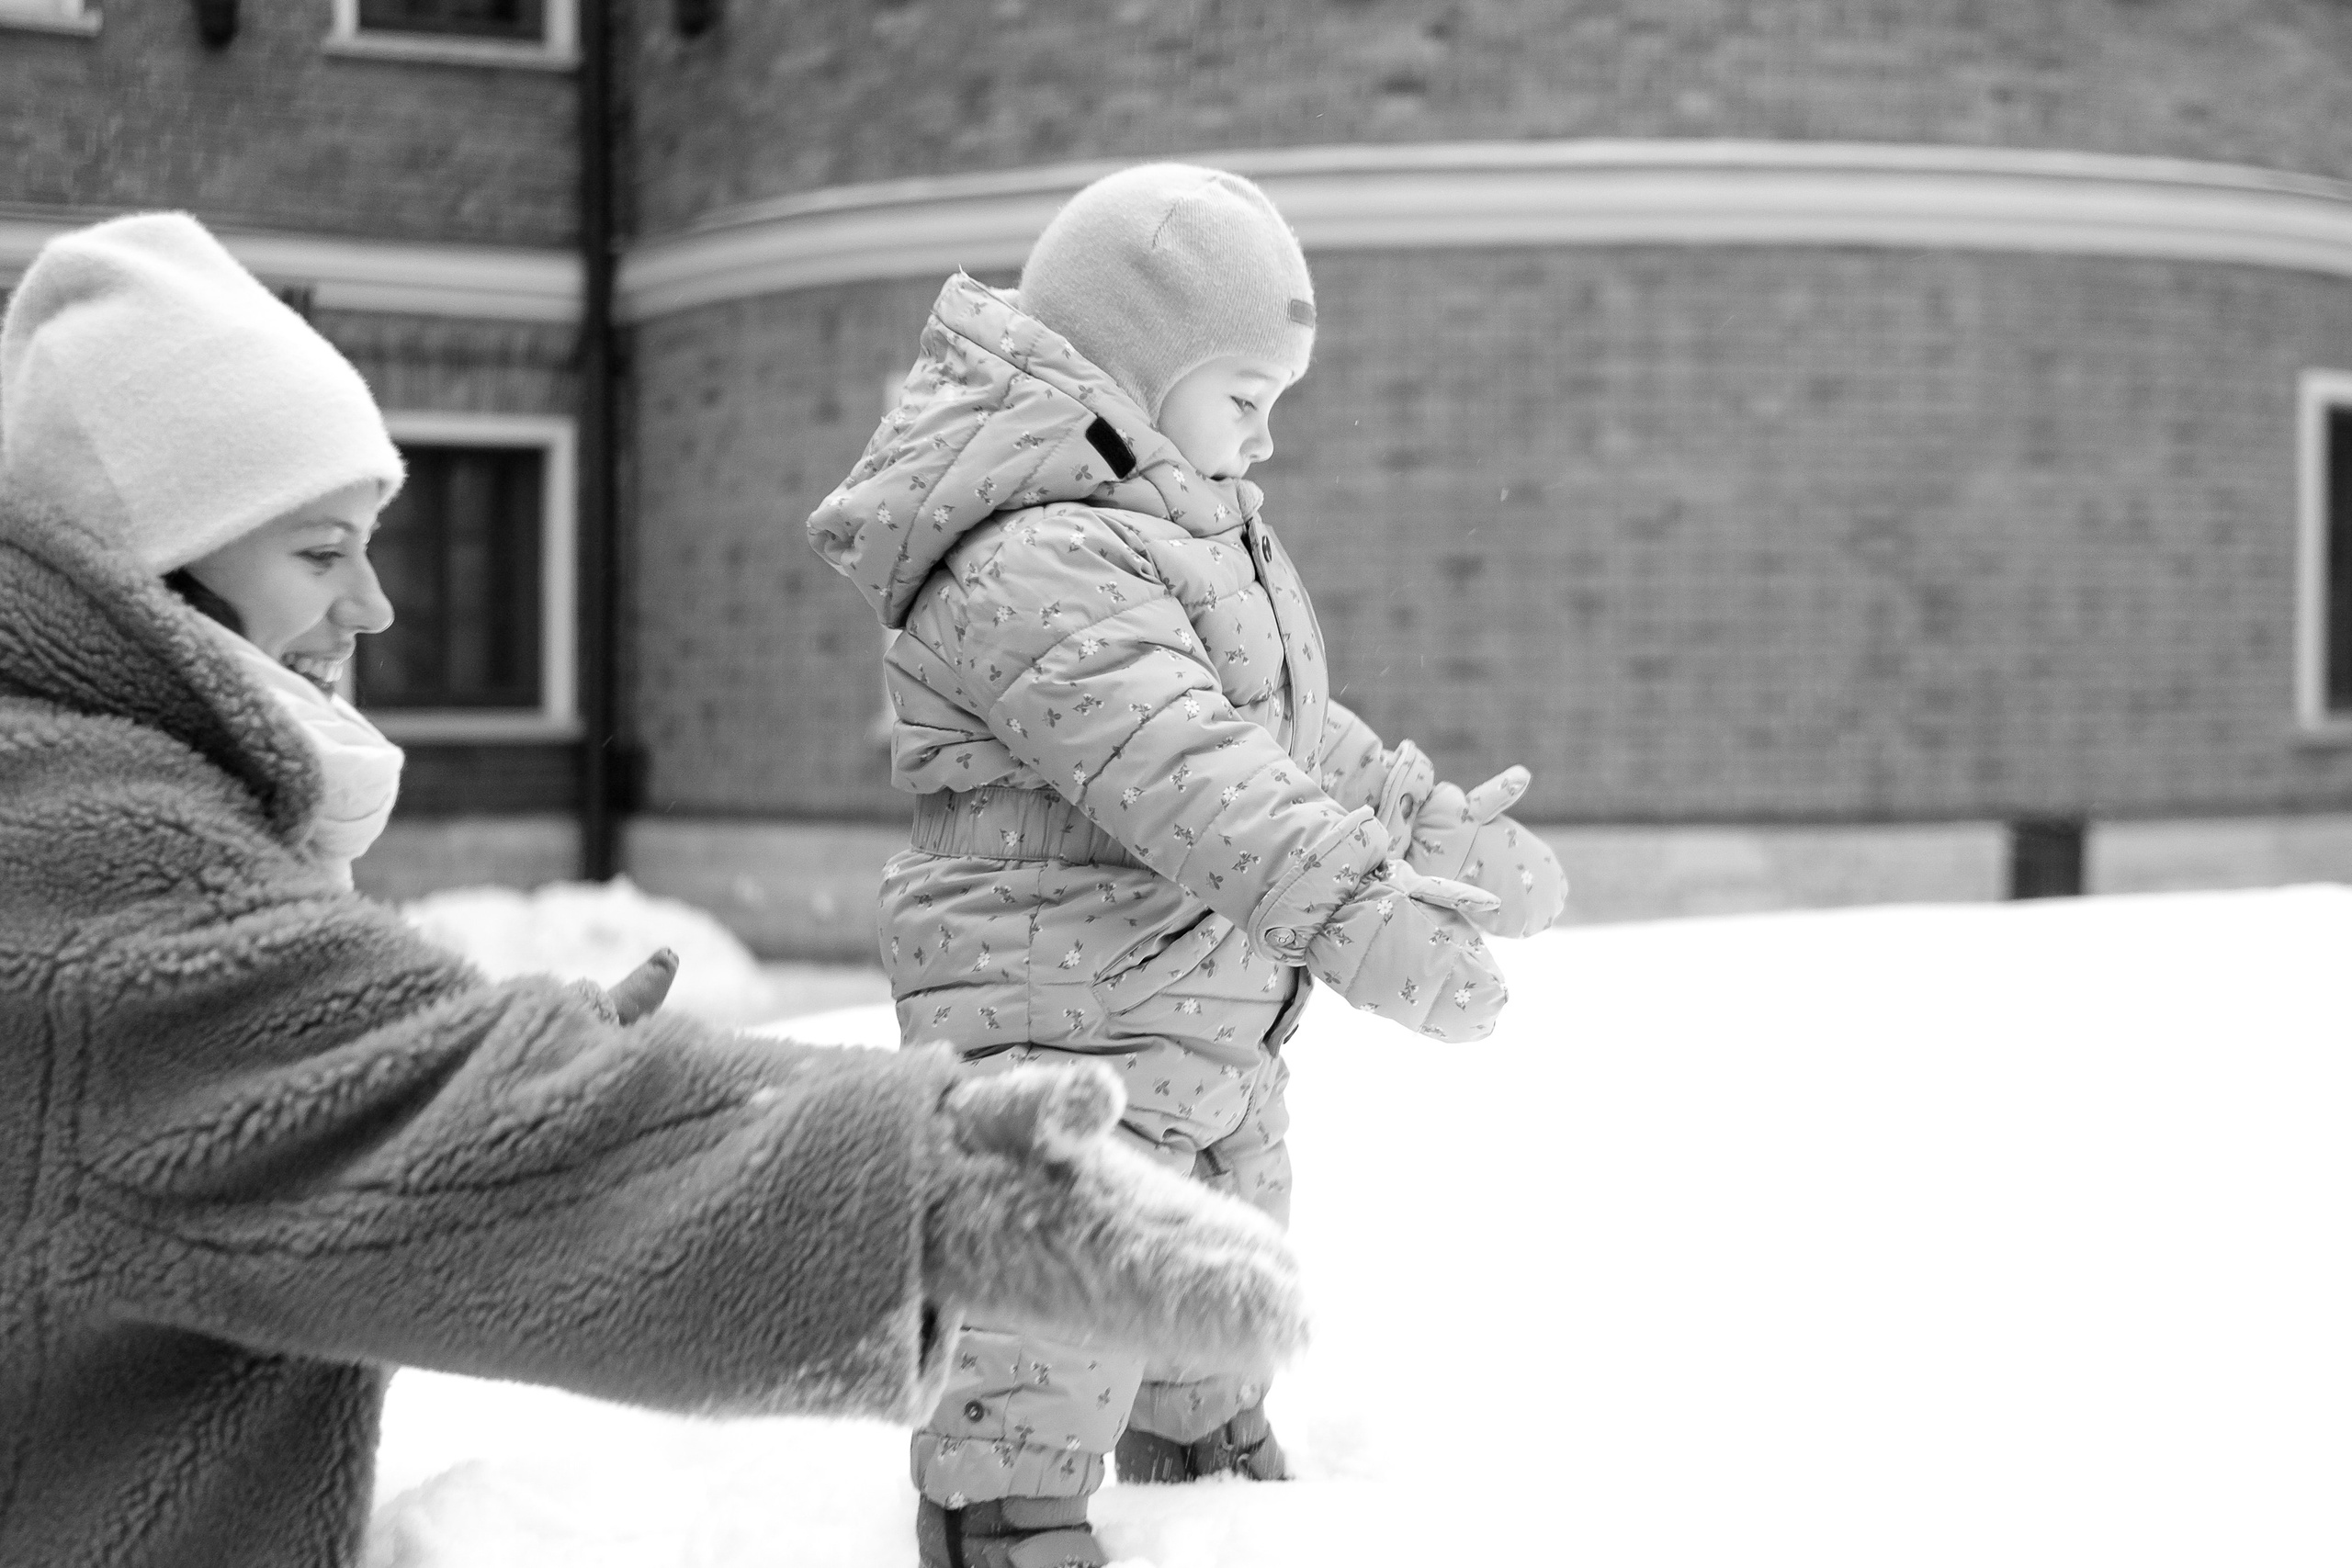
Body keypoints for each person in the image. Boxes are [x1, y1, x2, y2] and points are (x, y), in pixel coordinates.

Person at [0, 212, 1307, 1568]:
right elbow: (411, 1123)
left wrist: (537, 1052)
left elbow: (294, 1107)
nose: (378, 607)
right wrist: (926, 1184)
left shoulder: (77, 797)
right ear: (155, 563)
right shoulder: (92, 861)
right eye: (321, 553)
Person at [808, 164, 1568, 1568]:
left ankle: (1199, 1445)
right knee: (1062, 1263)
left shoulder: (1177, 528)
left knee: (1219, 1236)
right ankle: (1007, 1510)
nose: (1266, 441)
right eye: (1246, 398)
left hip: (1197, 998)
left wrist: (1418, 826)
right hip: (1056, 1004)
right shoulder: (1034, 560)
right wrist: (1361, 917)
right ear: (1135, 373)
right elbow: (1193, 776)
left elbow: (1277, 733)